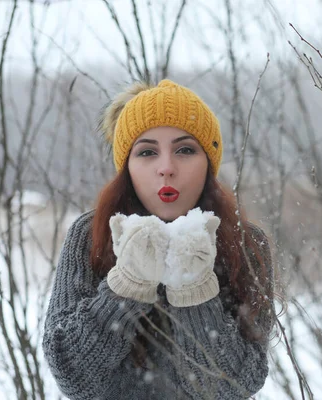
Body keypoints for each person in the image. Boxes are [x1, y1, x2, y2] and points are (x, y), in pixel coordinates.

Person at [42, 79, 276, 399]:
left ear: (208, 163)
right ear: (127, 167)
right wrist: (126, 286)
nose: (166, 168)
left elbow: (235, 386)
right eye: (147, 152)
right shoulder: (91, 234)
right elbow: (73, 375)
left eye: (185, 150)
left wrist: (194, 290)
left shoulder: (246, 244)